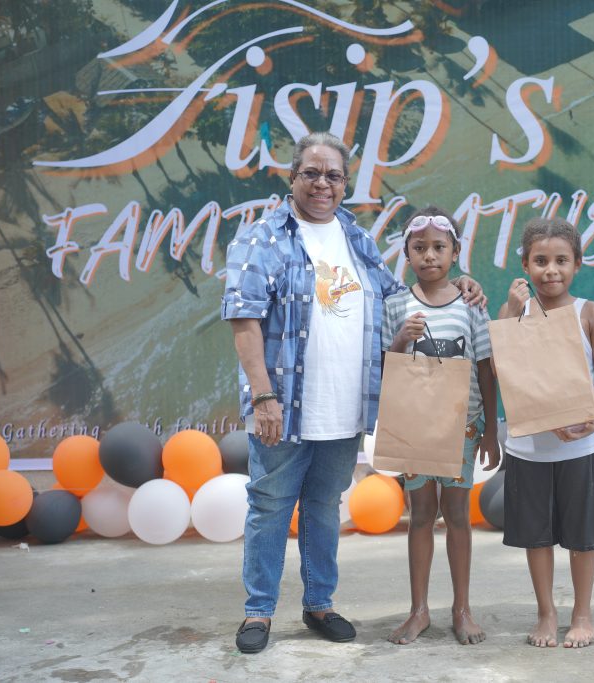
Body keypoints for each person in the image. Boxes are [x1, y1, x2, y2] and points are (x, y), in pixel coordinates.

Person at [221, 133, 484, 654]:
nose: (322, 184)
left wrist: (461, 285)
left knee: (323, 506)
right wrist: (263, 396)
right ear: (292, 177)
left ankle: (319, 603)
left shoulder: (356, 238)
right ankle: (258, 611)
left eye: (333, 175)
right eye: (312, 173)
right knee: (270, 506)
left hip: (344, 407)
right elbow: (244, 319)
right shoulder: (262, 238)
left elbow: (400, 297)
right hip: (284, 405)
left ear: (345, 184)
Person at [381, 207, 500, 646]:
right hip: (414, 428)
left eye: (438, 247)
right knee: (420, 517)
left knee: (458, 516)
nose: (429, 255)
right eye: (419, 248)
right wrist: (401, 339)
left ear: (455, 252)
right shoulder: (396, 306)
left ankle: (461, 609)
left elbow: (485, 368)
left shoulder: (472, 304)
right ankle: (419, 610)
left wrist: (491, 430)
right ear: (406, 254)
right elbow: (385, 368)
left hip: (462, 427)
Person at [498, 217, 594, 649]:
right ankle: (546, 613)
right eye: (541, 261)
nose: (551, 270)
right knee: (538, 537)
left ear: (578, 263)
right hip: (529, 449)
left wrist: (593, 418)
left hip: (581, 448)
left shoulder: (592, 313)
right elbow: (504, 369)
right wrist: (512, 312)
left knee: (583, 537)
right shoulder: (514, 313)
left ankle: (582, 613)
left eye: (561, 260)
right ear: (525, 265)